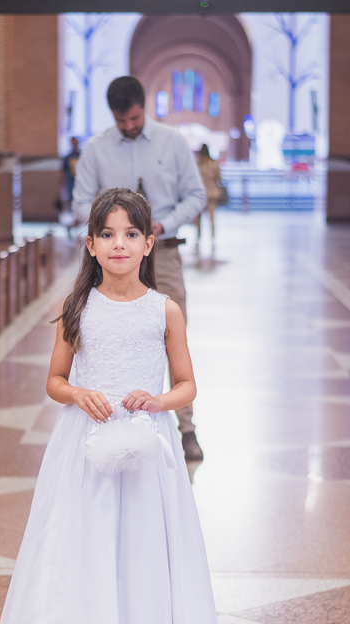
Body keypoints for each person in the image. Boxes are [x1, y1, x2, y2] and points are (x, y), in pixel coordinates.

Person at [0, 188, 235, 624]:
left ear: (150, 243)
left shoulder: (164, 309)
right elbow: (53, 381)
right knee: (73, 560)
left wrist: (160, 401)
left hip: (146, 450)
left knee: (134, 563)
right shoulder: (77, 308)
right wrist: (78, 393)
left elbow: (188, 384)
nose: (118, 244)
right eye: (107, 234)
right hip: (85, 448)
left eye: (130, 234)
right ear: (91, 244)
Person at [72, 76, 208, 462]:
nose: (129, 127)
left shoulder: (172, 142)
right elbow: (80, 202)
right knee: (106, 334)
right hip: (109, 258)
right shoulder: (97, 150)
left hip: (160, 251)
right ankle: (106, 418)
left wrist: (161, 224)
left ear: (143, 107)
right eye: (122, 121)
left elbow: (196, 195)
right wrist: (108, 224)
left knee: (169, 333)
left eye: (134, 119)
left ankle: (185, 427)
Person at [194, 144, 223, 252]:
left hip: (199, 194)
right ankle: (213, 237)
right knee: (212, 218)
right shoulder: (214, 164)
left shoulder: (197, 164)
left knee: (198, 219)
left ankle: (197, 237)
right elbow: (219, 178)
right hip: (212, 193)